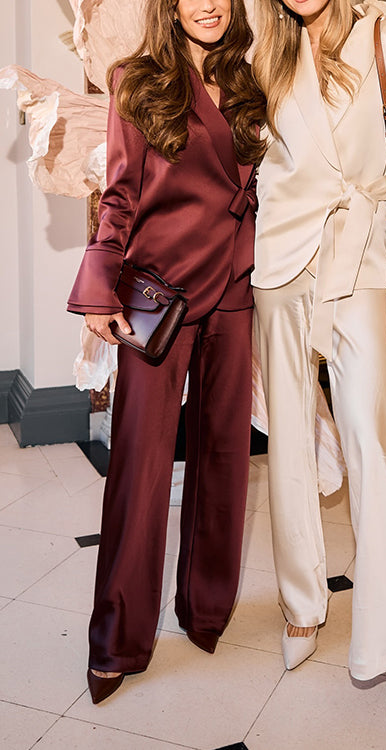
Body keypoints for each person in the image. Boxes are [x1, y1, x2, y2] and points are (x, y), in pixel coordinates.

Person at [67, 0, 265, 705]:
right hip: (161, 296)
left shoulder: (250, 80)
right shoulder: (138, 78)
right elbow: (119, 193)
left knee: (224, 457)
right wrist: (99, 285)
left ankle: (206, 609)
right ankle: (118, 638)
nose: (208, 4)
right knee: (140, 467)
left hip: (236, 287)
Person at [251, 0, 386, 744]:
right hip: (278, 265)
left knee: (372, 446)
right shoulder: (261, 47)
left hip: (361, 258)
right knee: (290, 446)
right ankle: (302, 603)